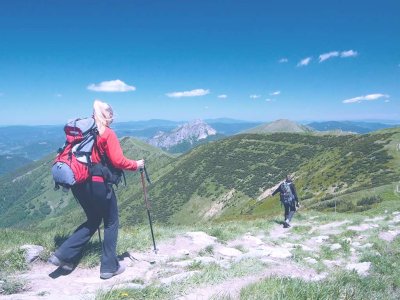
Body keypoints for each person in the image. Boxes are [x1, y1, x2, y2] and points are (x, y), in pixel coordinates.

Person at [48, 99, 144, 279]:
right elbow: (118, 161)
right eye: (111, 114)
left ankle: (63, 256)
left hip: (79, 182)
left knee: (93, 219)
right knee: (111, 221)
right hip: (99, 183)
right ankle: (109, 267)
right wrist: (136, 164)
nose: (112, 118)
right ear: (105, 114)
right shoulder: (107, 133)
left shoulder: (82, 133)